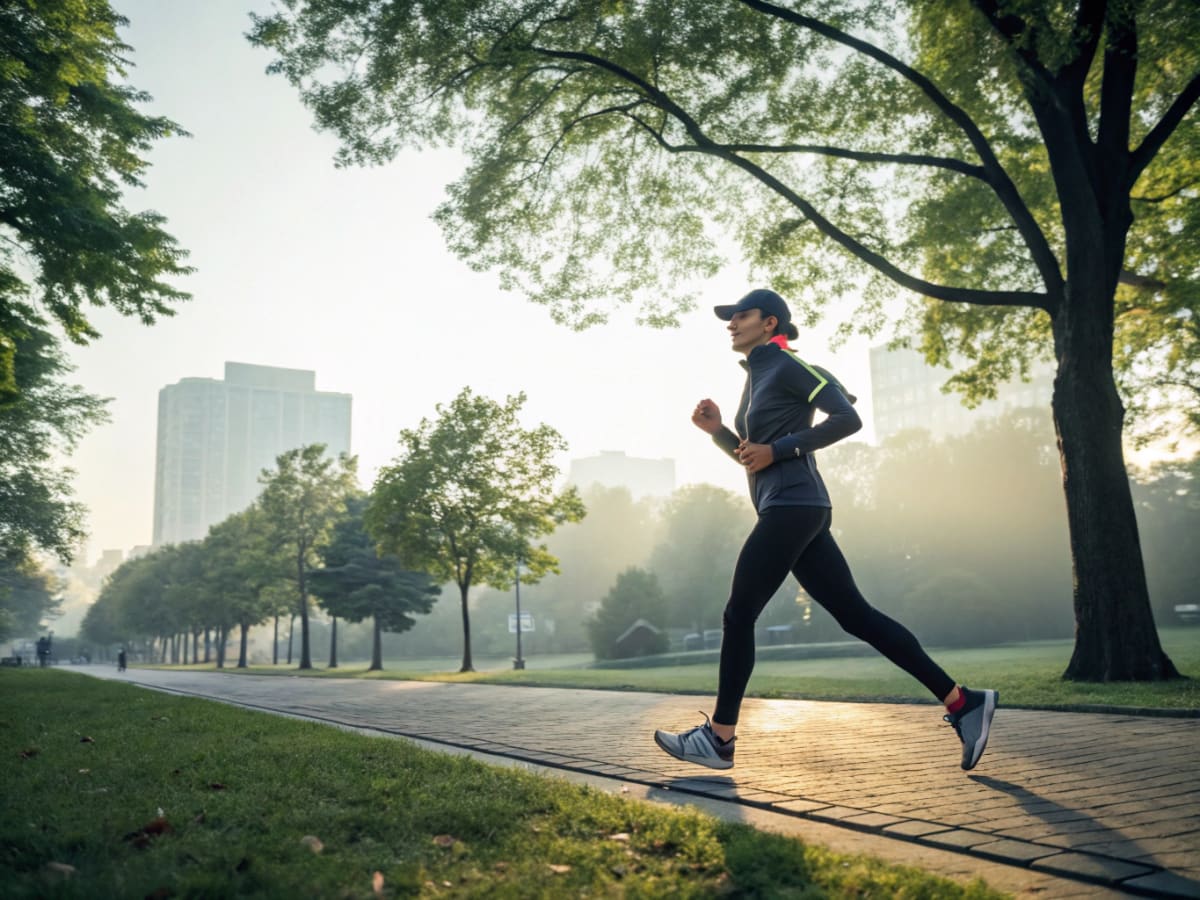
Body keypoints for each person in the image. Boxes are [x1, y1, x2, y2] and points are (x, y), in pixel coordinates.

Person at [653, 289, 998, 772]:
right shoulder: (756, 376)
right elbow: (756, 457)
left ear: (770, 323)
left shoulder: (790, 366)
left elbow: (847, 418)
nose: (730, 323)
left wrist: (783, 449)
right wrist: (719, 433)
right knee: (856, 616)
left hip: (795, 505)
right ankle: (964, 703)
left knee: (739, 613)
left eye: (741, 315)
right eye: (728, 317)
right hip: (790, 505)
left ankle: (719, 738)